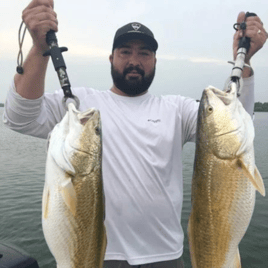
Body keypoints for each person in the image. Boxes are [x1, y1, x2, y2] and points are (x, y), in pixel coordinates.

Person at [3, 0, 267, 267]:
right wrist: (39, 48)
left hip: (165, 256)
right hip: (93, 254)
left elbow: (235, 124)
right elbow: (19, 116)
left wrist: (243, 62)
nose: (134, 61)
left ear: (154, 61)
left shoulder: (176, 108)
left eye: (144, 54)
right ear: (111, 58)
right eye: (125, 51)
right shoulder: (82, 109)